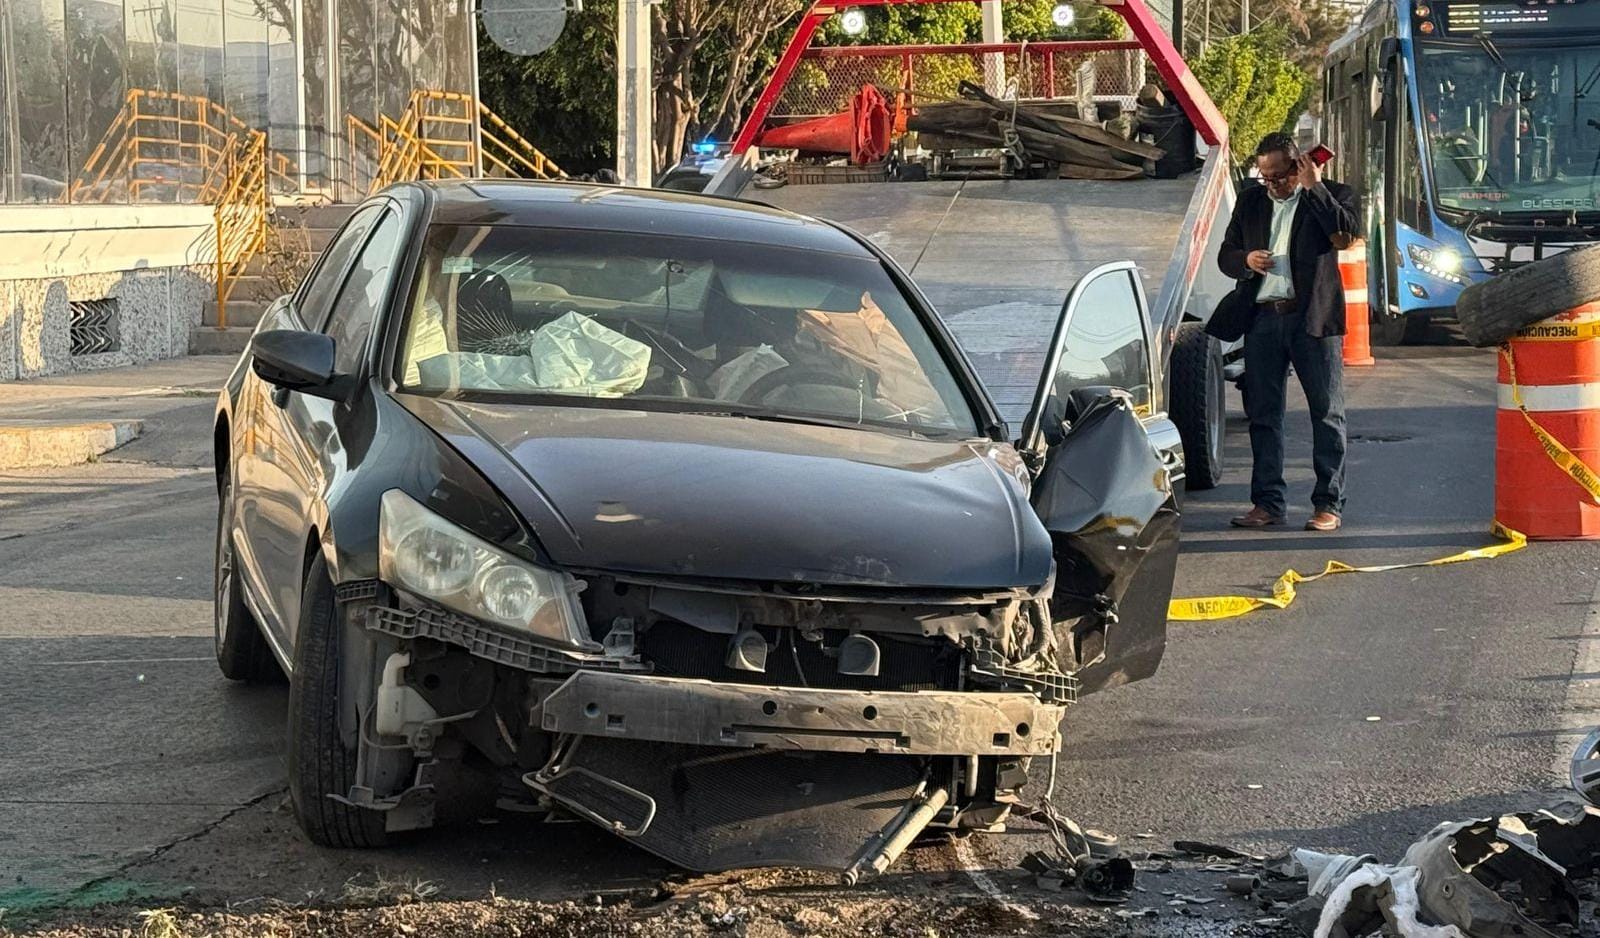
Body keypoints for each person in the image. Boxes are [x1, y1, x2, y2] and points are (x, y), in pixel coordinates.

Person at [1217, 132, 1359, 532]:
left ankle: (1328, 503)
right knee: (1264, 415)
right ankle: (1267, 503)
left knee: (1326, 413)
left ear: (1299, 165)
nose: (1273, 185)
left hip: (1311, 318)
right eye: (1265, 177)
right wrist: (1246, 259)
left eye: (1279, 176)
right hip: (1263, 318)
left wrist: (1315, 188)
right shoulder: (1251, 201)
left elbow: (1344, 236)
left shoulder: (1333, 195)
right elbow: (1226, 255)